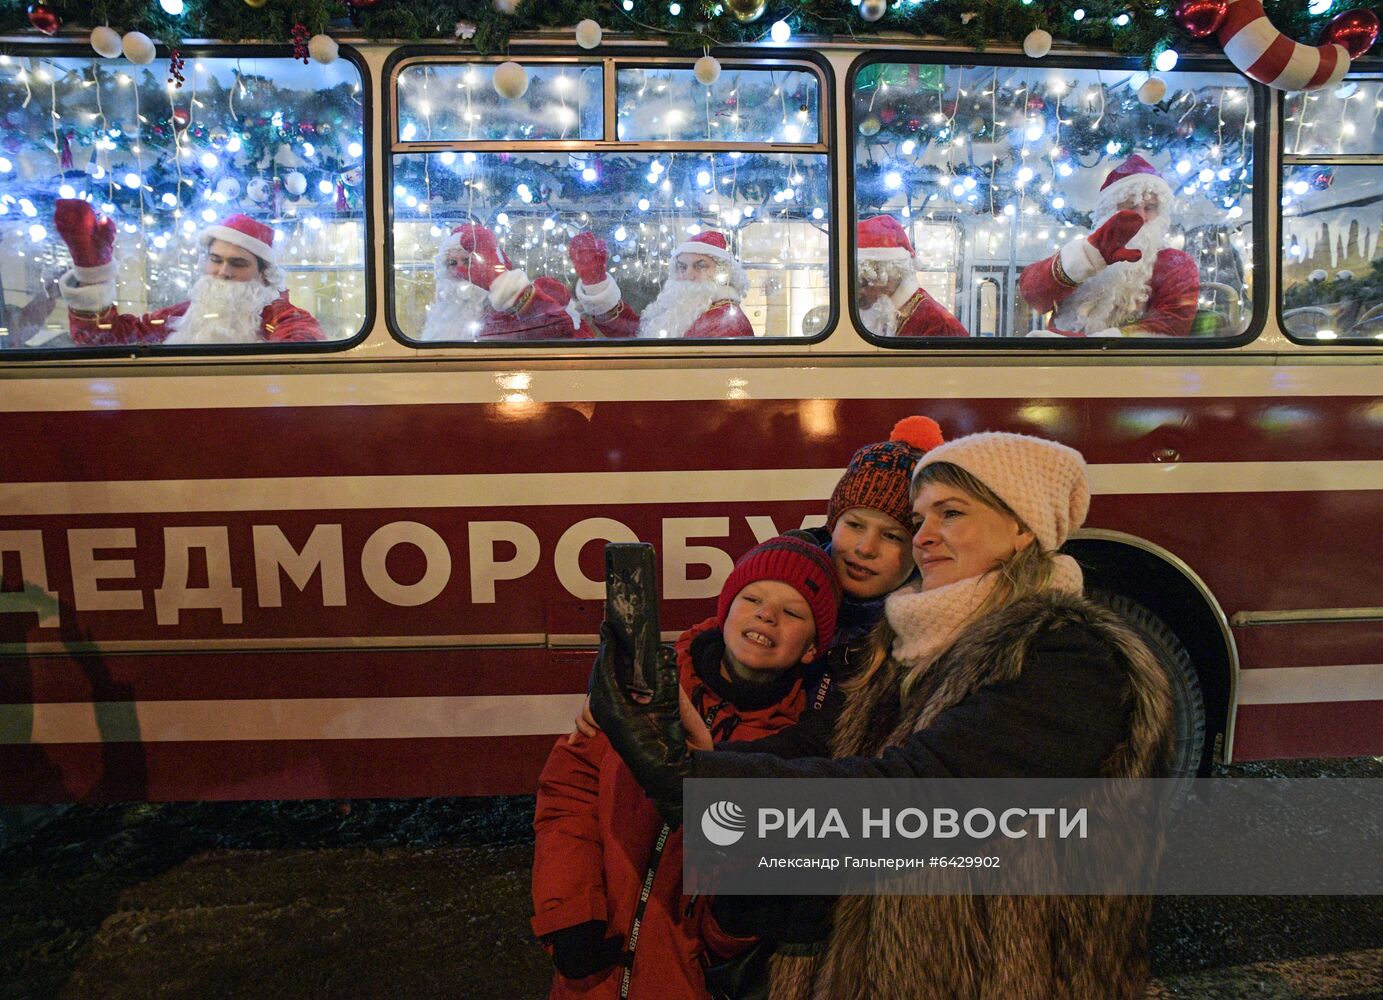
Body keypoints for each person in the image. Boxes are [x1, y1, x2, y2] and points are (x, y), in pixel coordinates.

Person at [591, 431, 1174, 1000]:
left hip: (999, 970)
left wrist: (691, 782)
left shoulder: (1068, 656)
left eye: (951, 513)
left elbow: (917, 797)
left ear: (1022, 527)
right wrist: (698, 756)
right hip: (905, 961)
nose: (925, 538)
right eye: (921, 520)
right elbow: (825, 745)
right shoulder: (920, 641)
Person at [532, 535, 842, 999]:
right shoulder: (645, 685)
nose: (766, 615)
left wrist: (731, 937)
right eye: (752, 597)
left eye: (793, 612)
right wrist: (570, 910)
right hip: (592, 973)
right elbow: (570, 791)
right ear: (725, 609)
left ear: (812, 649)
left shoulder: (793, 752)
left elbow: (752, 887)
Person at [52, 200, 324, 346]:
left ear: (263, 274)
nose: (223, 272)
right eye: (216, 260)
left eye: (238, 264)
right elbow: (107, 341)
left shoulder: (284, 318)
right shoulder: (181, 316)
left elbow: (302, 348)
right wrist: (91, 272)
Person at [1019, 155, 1201, 338]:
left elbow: (1172, 325)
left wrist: (1089, 345)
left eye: (1150, 207)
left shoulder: (1174, 264)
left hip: (1128, 364)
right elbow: (1033, 295)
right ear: (1109, 211)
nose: (1141, 217)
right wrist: (1089, 255)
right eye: (1130, 206)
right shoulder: (1086, 248)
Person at [420, 223, 595, 341]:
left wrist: (504, 287)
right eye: (451, 263)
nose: (459, 271)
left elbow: (565, 333)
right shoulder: (438, 315)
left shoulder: (514, 311)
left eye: (467, 262)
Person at [569, 230, 754, 339]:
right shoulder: (682, 308)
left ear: (723, 272)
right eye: (682, 267)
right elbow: (636, 333)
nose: (688, 275)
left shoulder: (726, 320)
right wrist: (595, 282)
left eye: (701, 266)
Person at [855, 215, 968, 338]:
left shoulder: (938, 325)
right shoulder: (886, 315)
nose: (858, 293)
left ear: (891, 276)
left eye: (865, 283)